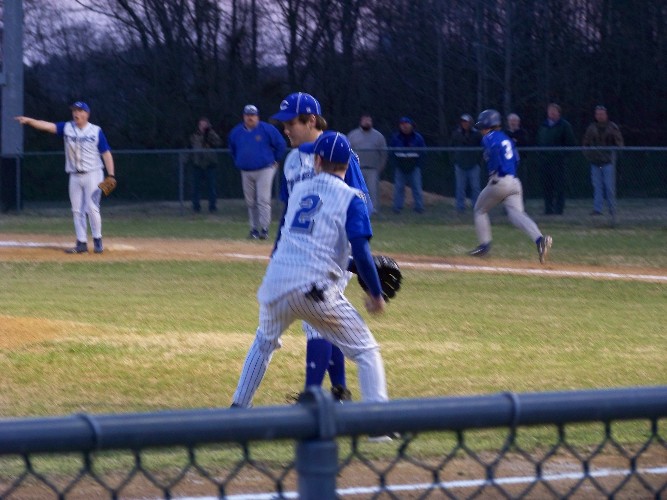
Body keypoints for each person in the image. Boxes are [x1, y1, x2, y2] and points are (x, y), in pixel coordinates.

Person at [231, 131, 389, 413]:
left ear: (317, 161)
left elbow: (297, 240)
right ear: (348, 164)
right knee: (366, 352)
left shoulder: (300, 191)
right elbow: (361, 251)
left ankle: (238, 408)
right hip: (314, 290)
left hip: (277, 284)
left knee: (264, 342)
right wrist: (375, 293)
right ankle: (379, 426)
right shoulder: (351, 198)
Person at [270, 91, 373, 403]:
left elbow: (361, 199)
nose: (285, 128)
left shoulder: (336, 148)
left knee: (317, 320)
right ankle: (339, 390)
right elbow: (289, 209)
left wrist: (351, 242)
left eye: (290, 122)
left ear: (311, 120)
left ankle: (312, 394)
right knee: (326, 319)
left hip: (334, 249)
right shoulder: (294, 160)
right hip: (308, 249)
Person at [15, 101, 115, 254]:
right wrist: (30, 121)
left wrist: (111, 175)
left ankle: (97, 241)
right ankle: (81, 243)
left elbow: (106, 153)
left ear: (87, 114)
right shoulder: (67, 127)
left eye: (80, 111)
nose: (76, 113)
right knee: (76, 210)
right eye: (74, 111)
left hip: (94, 174)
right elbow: (47, 126)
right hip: (74, 175)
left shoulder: (95, 131)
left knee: (92, 208)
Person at [468, 109, 553, 264]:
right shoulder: (506, 138)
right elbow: (517, 160)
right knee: (516, 215)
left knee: (479, 210)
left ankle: (484, 245)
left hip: (499, 180)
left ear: (488, 125)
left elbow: (493, 150)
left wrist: (496, 171)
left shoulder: (489, 137)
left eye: (482, 127)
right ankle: (540, 239)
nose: (481, 130)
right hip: (514, 181)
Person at [228, 104, 287, 239]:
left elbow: (281, 144)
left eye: (253, 115)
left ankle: (264, 229)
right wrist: (239, 161)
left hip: (265, 168)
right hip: (246, 170)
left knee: (263, 199)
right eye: (248, 115)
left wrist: (276, 159)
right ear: (244, 116)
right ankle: (254, 229)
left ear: (257, 117)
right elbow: (232, 149)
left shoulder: (267, 129)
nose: (250, 118)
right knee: (250, 201)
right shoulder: (236, 132)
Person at [582, 105, 624, 223]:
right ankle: (597, 209)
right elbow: (585, 143)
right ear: (595, 115)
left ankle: (612, 208)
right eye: (598, 114)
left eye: (602, 114)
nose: (600, 116)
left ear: (606, 115)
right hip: (595, 162)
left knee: (609, 186)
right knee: (597, 186)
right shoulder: (591, 128)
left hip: (608, 162)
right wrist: (589, 155)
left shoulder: (612, 127)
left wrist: (614, 154)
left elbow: (619, 143)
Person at [535, 103, 576, 215]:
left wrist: (563, 155)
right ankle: (548, 208)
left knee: (559, 186)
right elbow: (539, 141)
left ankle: (559, 209)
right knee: (547, 186)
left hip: (559, 162)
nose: (552, 113)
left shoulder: (564, 125)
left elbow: (570, 142)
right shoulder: (543, 126)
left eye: (554, 111)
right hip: (545, 161)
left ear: (559, 113)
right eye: (550, 111)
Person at [347, 113, 387, 213]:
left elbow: (383, 154)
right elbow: (347, 151)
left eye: (368, 120)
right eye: (365, 120)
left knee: (372, 190)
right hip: (357, 168)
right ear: (361, 122)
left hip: (372, 169)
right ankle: (356, 209)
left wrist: (380, 168)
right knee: (356, 190)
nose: (367, 122)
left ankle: (373, 209)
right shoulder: (353, 135)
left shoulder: (378, 136)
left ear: (371, 122)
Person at [388, 117, 426, 214]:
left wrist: (418, 164)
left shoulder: (418, 137)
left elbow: (423, 152)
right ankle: (397, 208)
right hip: (400, 167)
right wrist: (396, 164)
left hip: (414, 167)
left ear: (411, 125)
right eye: (402, 124)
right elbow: (391, 152)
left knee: (417, 188)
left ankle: (419, 208)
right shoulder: (396, 137)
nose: (404, 126)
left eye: (406, 124)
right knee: (399, 188)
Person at [450, 114, 482, 213]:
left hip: (473, 164)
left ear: (471, 123)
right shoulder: (456, 133)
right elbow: (451, 147)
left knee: (475, 187)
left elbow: (482, 148)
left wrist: (478, 160)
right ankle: (460, 207)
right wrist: (455, 159)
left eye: (467, 122)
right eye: (463, 122)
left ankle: (477, 207)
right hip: (460, 164)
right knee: (460, 187)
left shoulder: (477, 134)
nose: (465, 124)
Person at [189, 117, 222, 213]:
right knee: (196, 188)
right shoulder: (194, 136)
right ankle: (196, 207)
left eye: (205, 124)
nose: (203, 126)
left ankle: (212, 207)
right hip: (197, 164)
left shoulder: (212, 135)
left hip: (209, 164)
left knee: (211, 188)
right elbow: (191, 146)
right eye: (201, 124)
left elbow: (218, 143)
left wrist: (210, 133)